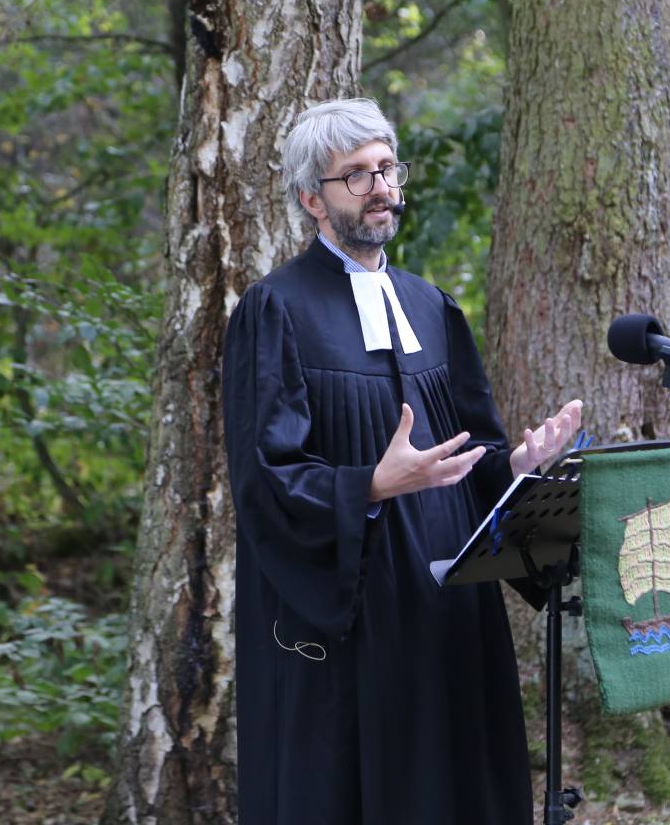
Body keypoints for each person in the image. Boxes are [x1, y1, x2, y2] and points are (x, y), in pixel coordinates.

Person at [223, 97, 583, 824]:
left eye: (387, 167)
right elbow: (265, 479)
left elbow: (471, 447)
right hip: (353, 615)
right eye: (355, 175)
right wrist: (371, 484)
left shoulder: (428, 306)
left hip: (449, 600)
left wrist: (518, 466)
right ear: (310, 200)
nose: (381, 186)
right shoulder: (275, 311)